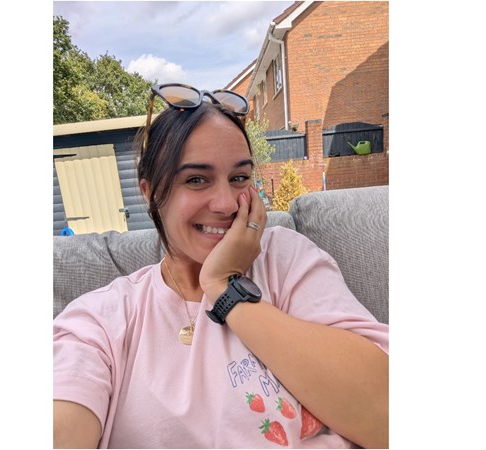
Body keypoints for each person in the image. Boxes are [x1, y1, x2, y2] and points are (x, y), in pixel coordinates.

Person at [53, 84, 389, 448]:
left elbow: (386, 417)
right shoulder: (104, 319)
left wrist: (225, 287)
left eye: (239, 178)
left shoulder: (285, 259)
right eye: (196, 180)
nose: (227, 204)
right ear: (150, 193)